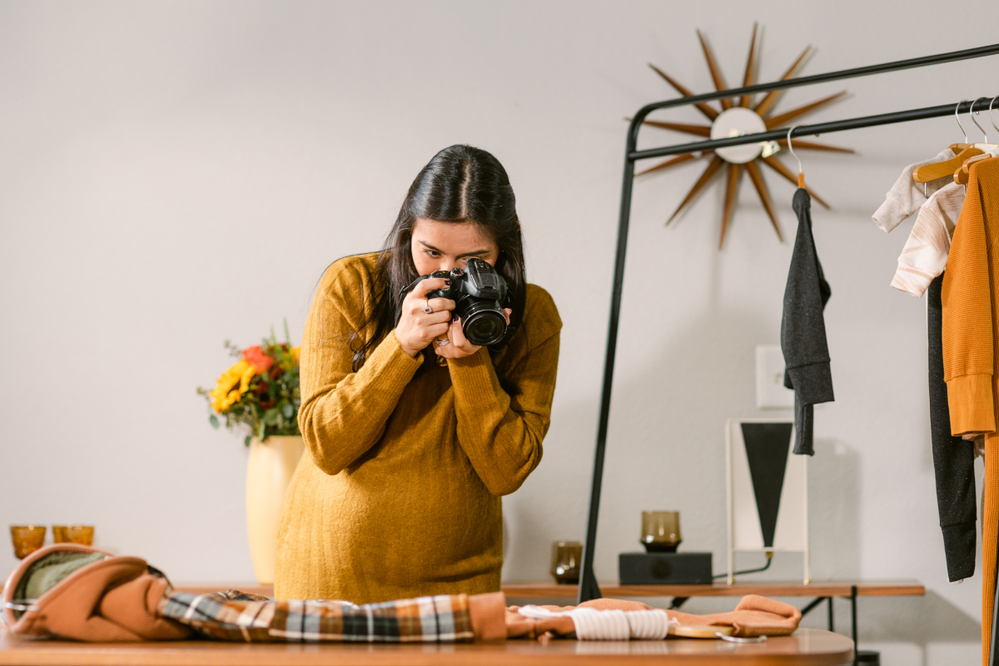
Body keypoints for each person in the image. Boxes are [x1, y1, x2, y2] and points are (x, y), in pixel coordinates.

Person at [274, 145, 562, 603]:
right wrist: (400, 345)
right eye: (430, 251)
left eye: (473, 258)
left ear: (506, 243)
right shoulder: (352, 285)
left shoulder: (533, 316)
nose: (446, 273)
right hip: (328, 576)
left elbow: (507, 471)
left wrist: (470, 361)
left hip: (458, 586)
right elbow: (328, 447)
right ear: (408, 228)